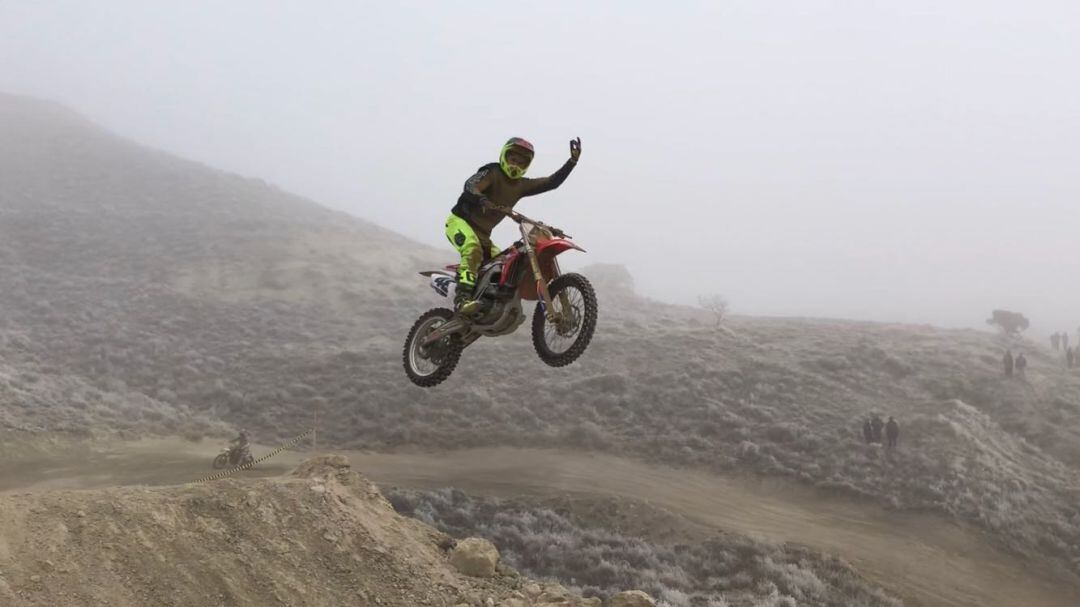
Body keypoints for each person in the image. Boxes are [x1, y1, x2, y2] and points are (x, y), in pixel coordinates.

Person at [446, 136, 582, 315]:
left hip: (484, 236)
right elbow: (471, 185)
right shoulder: (492, 172)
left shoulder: (521, 185)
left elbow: (551, 182)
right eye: (513, 159)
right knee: (472, 249)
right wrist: (482, 199)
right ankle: (462, 301)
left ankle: (485, 304)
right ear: (504, 156)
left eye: (521, 162)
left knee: (503, 266)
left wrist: (572, 162)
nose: (515, 165)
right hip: (459, 223)